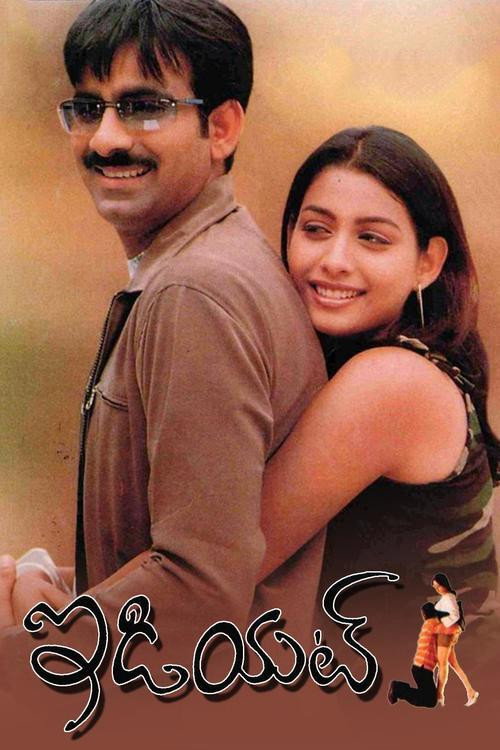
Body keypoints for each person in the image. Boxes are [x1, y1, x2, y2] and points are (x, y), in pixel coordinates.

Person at [0, 0, 326, 673]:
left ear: (221, 127)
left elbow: (199, 591)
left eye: (143, 107)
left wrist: (27, 651)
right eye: (87, 108)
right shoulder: (204, 267)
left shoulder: (194, 293)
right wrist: (46, 591)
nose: (105, 140)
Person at [257, 125, 499, 681]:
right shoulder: (375, 361)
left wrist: (67, 604)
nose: (334, 259)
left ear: (427, 262)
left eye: (372, 238)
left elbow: (225, 562)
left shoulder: (391, 382)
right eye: (316, 229)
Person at [431, 572, 478, 706]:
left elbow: (455, 616)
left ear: (444, 584)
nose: (437, 589)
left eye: (438, 586)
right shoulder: (446, 598)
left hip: (446, 634)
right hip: (445, 633)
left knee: (442, 664)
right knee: (453, 664)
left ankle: (439, 694)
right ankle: (470, 691)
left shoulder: (448, 598)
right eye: (435, 587)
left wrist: (441, 622)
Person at [388, 603, 443, 708]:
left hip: (420, 669)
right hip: (422, 670)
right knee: (430, 701)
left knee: (429, 699)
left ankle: (399, 688)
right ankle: (398, 689)